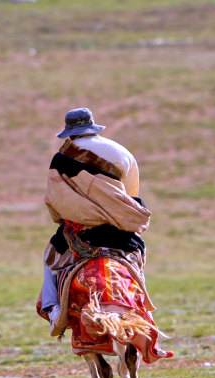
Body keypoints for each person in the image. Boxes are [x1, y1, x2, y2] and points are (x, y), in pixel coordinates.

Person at [38, 107, 150, 334]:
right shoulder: (122, 152)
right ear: (92, 126)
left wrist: (68, 216)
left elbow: (55, 200)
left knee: (50, 260)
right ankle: (142, 307)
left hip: (81, 234)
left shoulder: (62, 157)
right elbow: (130, 194)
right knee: (138, 256)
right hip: (119, 231)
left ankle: (54, 311)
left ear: (70, 132)